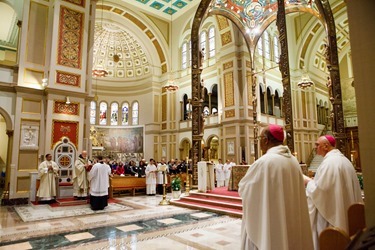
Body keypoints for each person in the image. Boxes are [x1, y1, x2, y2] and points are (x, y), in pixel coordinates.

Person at [239, 124, 313, 250]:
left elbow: (245, 190)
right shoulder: (294, 161)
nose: (259, 141)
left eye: (260, 138)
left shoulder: (264, 163)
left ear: (266, 140)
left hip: (272, 222)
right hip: (291, 220)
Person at [304, 135, 363, 249]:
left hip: (331, 215)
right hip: (344, 208)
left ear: (326, 146)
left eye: (317, 144)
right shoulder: (343, 160)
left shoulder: (329, 163)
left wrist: (307, 181)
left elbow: (320, 191)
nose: (315, 147)